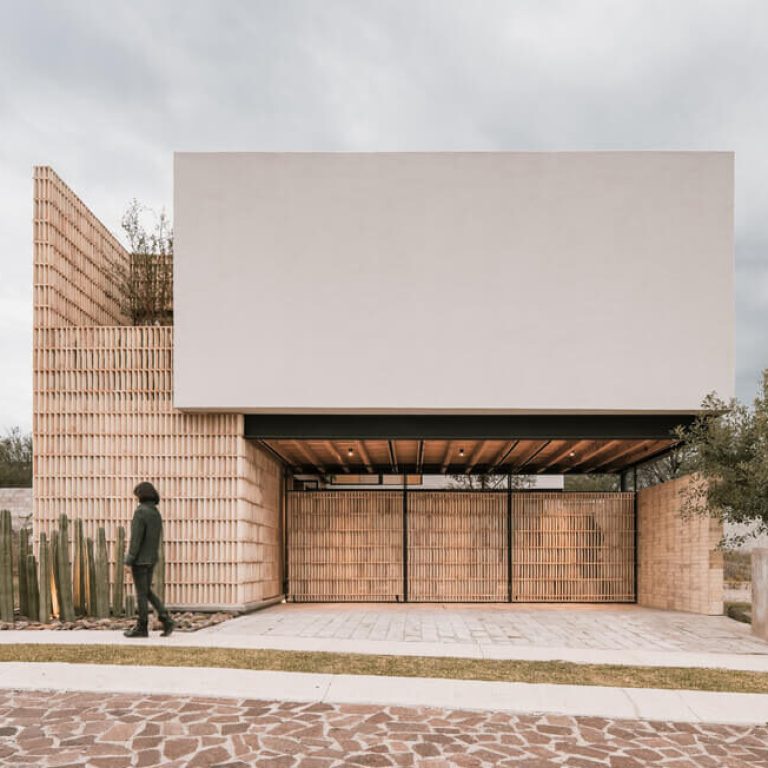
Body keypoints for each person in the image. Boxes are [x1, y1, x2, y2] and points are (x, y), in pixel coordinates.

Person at [124, 481, 174, 638]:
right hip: (152, 559)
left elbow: (136, 539)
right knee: (146, 592)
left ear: (141, 495)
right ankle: (165, 618)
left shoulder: (140, 512)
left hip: (140, 560)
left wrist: (128, 560)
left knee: (141, 593)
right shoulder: (155, 513)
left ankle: (142, 627)